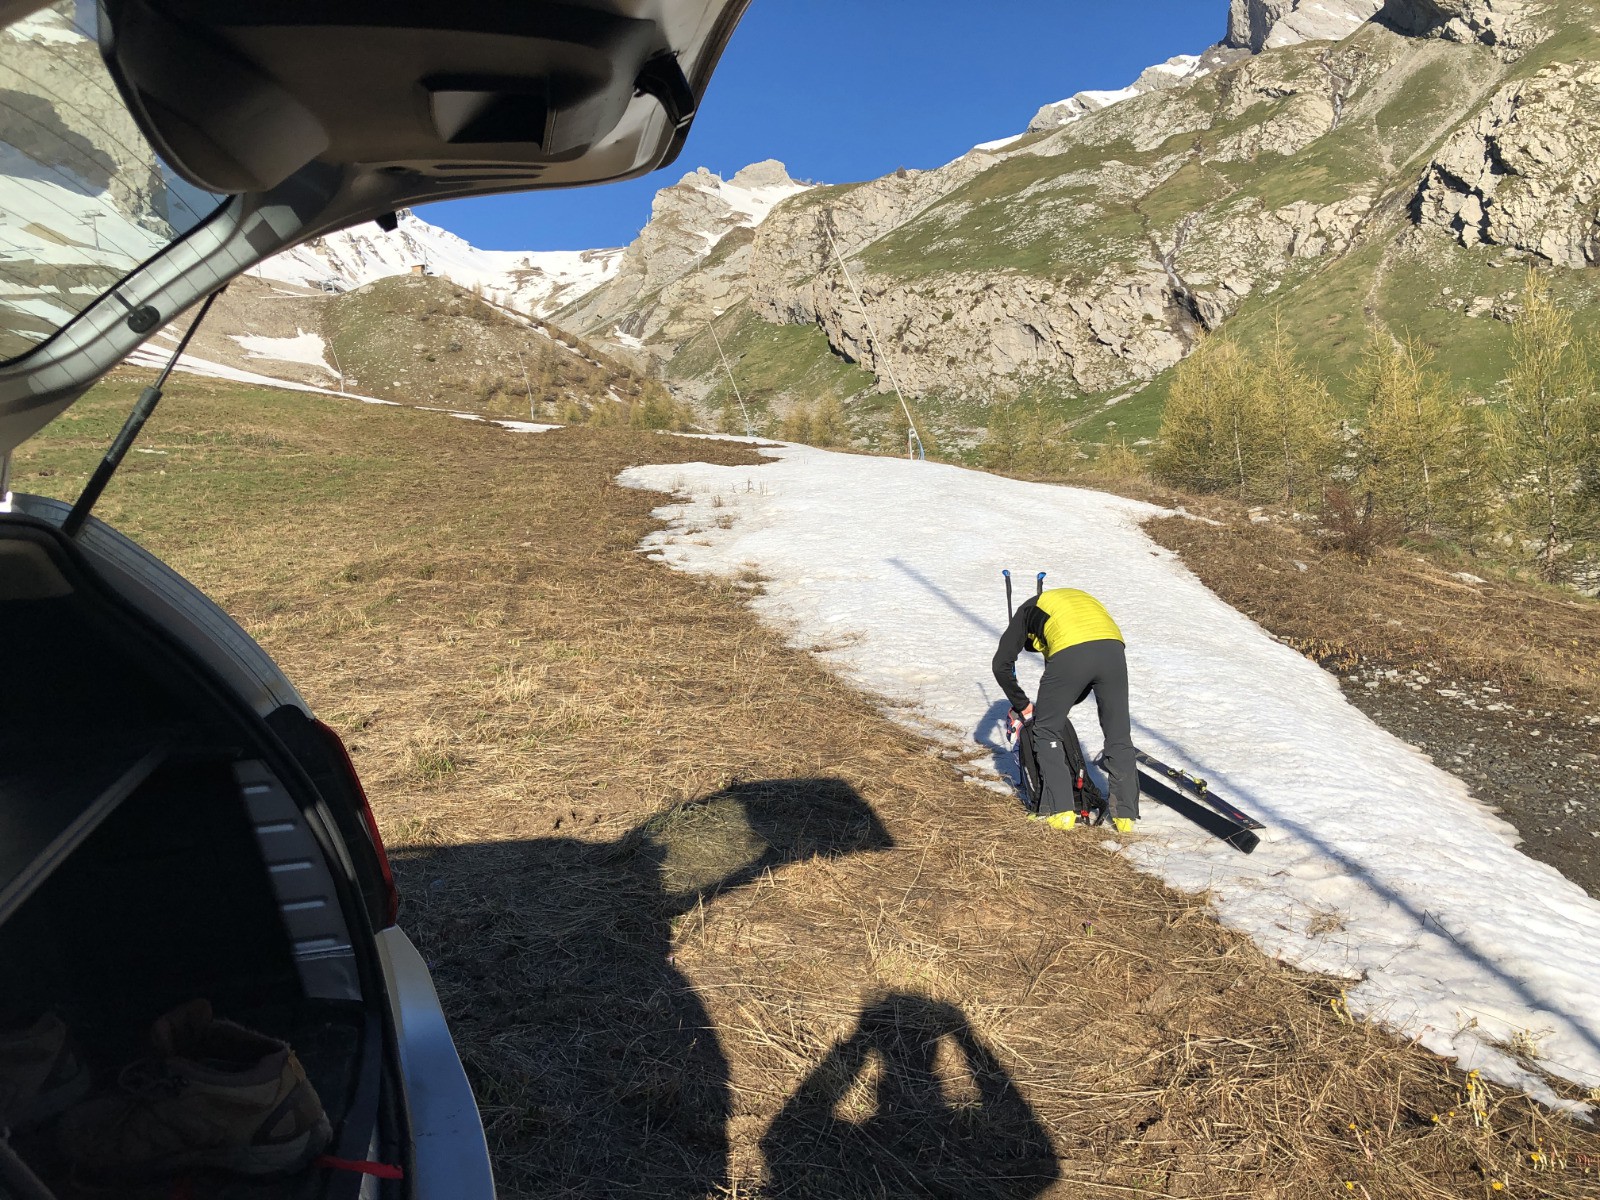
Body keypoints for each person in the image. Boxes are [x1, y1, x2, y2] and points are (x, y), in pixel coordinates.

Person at [992, 586, 1138, 833]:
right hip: (1113, 647)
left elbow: (1000, 665)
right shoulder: (1067, 602)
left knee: (1046, 730)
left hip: (1073, 650)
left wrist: (1023, 705)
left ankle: (1059, 810)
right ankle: (1125, 817)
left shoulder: (1026, 611)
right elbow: (1077, 687)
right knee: (1118, 734)